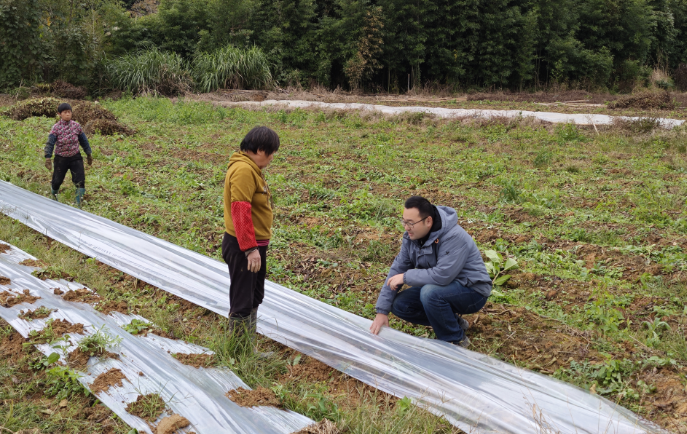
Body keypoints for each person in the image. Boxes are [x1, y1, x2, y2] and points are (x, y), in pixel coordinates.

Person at [370, 196, 492, 348]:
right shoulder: (412, 238)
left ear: (428, 221)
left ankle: (454, 341)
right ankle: (454, 323)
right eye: (404, 222)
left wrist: (406, 277)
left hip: (472, 291)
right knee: (400, 304)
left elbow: (442, 276)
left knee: (430, 293)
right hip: (442, 288)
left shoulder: (453, 236)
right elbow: (397, 268)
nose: (406, 228)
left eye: (410, 223)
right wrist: (382, 311)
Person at [222, 126, 279, 344]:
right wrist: (250, 249)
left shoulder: (250, 169)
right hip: (243, 247)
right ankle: (239, 351)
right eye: (270, 152)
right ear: (258, 149)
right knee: (242, 300)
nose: (272, 157)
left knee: (253, 296)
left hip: (253, 245)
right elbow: (240, 209)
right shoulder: (244, 171)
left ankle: (247, 347)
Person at [44, 102, 93, 208]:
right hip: (61, 158)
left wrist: (88, 153)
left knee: (80, 181)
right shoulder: (56, 128)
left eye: (69, 112)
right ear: (59, 114)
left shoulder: (76, 126)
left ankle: (78, 205)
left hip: (75, 156)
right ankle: (53, 199)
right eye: (65, 112)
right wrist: (48, 157)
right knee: (57, 181)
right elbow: (50, 143)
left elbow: (84, 140)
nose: (67, 114)